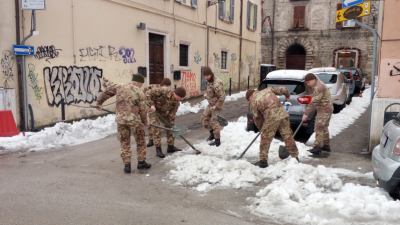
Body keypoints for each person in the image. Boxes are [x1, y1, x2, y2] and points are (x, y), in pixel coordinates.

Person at [96, 74, 151, 174]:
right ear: (138, 82)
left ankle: (127, 166)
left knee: (125, 142)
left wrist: (99, 103)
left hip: (121, 120)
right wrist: (144, 122)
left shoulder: (120, 87)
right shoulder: (140, 92)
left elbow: (106, 93)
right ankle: (141, 162)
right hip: (135, 121)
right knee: (140, 141)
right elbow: (143, 110)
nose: (141, 86)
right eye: (141, 84)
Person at [246, 88, 299, 168]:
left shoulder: (254, 101)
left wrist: (262, 129)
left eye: (248, 100)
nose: (249, 101)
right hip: (283, 115)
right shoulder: (268, 90)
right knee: (287, 136)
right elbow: (283, 89)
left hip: (271, 117)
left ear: (250, 96)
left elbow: (257, 118)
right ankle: (295, 156)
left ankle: (263, 161)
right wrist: (287, 95)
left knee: (265, 139)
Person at [146, 86, 186, 158]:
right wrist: (151, 105)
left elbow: (172, 114)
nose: (179, 100)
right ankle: (158, 149)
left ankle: (170, 147)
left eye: (180, 99)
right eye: (179, 98)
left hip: (164, 112)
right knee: (156, 129)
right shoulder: (163, 90)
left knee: (171, 128)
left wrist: (171, 124)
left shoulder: (177, 103)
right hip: (154, 111)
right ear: (175, 94)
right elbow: (148, 94)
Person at [302, 73, 333, 156]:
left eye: (308, 82)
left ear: (313, 80)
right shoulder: (317, 85)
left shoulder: (319, 87)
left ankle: (317, 147)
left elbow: (314, 102)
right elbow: (315, 97)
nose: (308, 84)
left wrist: (306, 113)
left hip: (325, 109)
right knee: (324, 127)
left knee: (318, 126)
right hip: (324, 108)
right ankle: (326, 146)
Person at [144, 78, 172, 148]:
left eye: (168, 86)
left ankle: (169, 144)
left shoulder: (167, 91)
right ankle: (151, 140)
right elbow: (147, 95)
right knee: (152, 125)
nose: (167, 88)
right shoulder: (156, 89)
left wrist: (167, 109)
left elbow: (167, 100)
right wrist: (152, 105)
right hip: (151, 108)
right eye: (166, 86)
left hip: (159, 108)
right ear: (162, 85)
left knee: (166, 124)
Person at [201, 67, 225, 147]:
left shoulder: (216, 84)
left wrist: (216, 106)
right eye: (205, 76)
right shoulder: (209, 81)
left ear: (211, 74)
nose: (206, 77)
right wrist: (206, 95)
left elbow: (222, 97)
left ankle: (217, 140)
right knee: (204, 119)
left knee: (214, 122)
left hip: (216, 105)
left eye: (207, 76)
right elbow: (209, 91)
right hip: (210, 104)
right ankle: (212, 134)